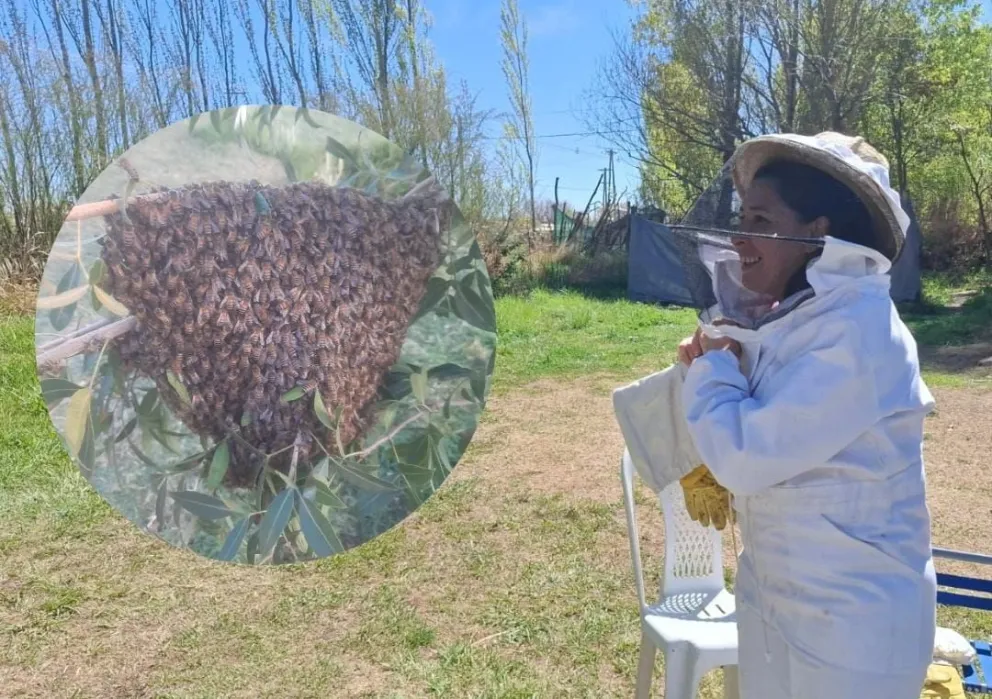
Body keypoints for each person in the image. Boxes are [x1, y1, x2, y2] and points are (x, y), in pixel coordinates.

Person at [676, 132, 937, 699]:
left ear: (816, 233)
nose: (740, 238)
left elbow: (746, 457)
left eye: (761, 220)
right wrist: (714, 364)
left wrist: (713, 371)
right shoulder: (795, 319)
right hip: (776, 596)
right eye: (742, 217)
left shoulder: (861, 329)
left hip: (855, 625)